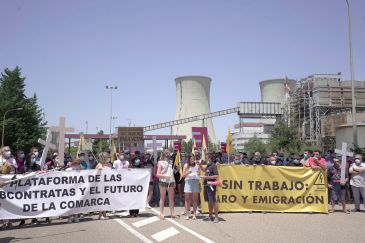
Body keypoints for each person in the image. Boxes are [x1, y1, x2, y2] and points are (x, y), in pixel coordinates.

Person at [156, 149, 178, 220]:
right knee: (162, 198)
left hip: (171, 181)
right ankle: (161, 213)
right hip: (163, 181)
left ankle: (172, 213)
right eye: (167, 153)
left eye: (169, 153)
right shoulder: (160, 162)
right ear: (164, 154)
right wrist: (165, 176)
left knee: (171, 198)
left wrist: (174, 181)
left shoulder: (171, 162)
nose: (168, 154)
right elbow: (158, 174)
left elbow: (172, 173)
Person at [200, 156, 219, 223]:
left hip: (211, 185)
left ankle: (216, 217)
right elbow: (203, 170)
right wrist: (199, 165)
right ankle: (210, 216)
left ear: (210, 158)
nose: (206, 159)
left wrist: (206, 177)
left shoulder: (214, 166)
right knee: (209, 201)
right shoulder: (208, 165)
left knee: (213, 201)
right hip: (206, 185)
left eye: (207, 158)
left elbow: (216, 176)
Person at [182, 154, 200, 220]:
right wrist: (188, 172)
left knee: (195, 200)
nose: (192, 160)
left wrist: (198, 173)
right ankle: (187, 215)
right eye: (191, 159)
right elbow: (183, 175)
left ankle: (194, 214)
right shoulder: (186, 165)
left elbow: (199, 173)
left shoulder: (197, 165)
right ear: (189, 159)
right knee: (187, 200)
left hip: (195, 181)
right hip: (188, 182)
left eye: (193, 158)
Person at [66, 158, 83, 223]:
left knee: (76, 204)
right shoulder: (68, 170)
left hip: (78, 189)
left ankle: (76, 217)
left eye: (78, 164)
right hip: (69, 190)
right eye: (76, 164)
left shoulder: (81, 170)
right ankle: (70, 217)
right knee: (70, 204)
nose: (77, 165)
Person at [96, 152, 112, 219]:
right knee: (101, 199)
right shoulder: (99, 164)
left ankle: (104, 214)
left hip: (107, 184)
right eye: (102, 157)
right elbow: (94, 173)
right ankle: (100, 214)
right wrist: (99, 169)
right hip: (100, 184)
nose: (104, 159)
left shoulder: (108, 165)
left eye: (105, 157)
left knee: (105, 199)